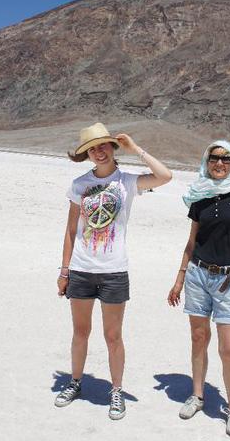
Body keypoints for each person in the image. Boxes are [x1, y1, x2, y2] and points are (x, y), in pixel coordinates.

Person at [55, 122, 172, 419]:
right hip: (81, 269)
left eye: (104, 145)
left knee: (113, 336)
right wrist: (65, 270)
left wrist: (136, 150)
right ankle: (76, 382)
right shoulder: (79, 185)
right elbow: (71, 231)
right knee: (80, 332)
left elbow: (165, 176)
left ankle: (116, 390)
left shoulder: (128, 182)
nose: (99, 151)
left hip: (114, 272)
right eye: (93, 148)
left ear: (113, 147)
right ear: (87, 154)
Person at [168, 139, 230, 437]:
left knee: (229, 348)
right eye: (214, 158)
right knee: (198, 337)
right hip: (198, 275)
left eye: (225, 159)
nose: (219, 163)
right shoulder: (200, 196)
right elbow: (191, 241)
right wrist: (180, 277)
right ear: (206, 161)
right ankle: (197, 395)